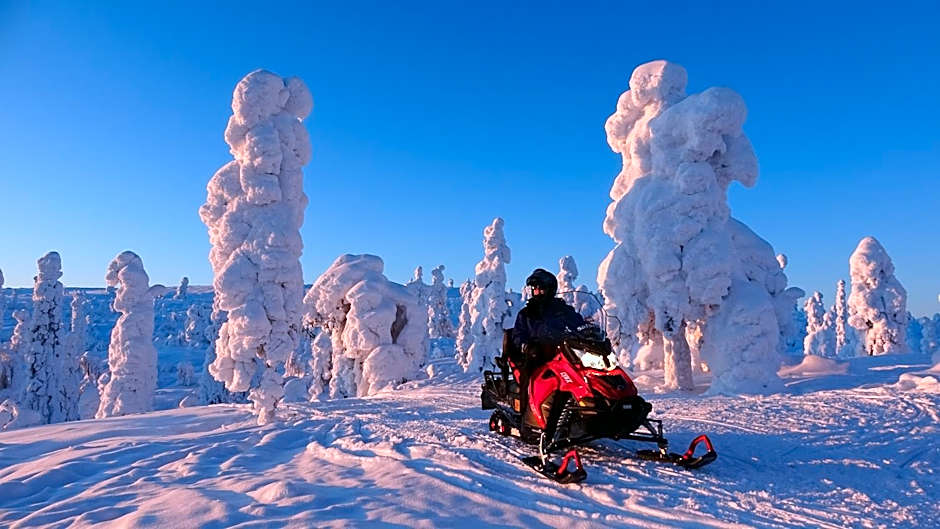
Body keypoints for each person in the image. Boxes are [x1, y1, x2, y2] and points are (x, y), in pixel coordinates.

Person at [511, 268, 586, 376]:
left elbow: (578, 324)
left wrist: (591, 332)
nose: (537, 291)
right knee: (528, 375)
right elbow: (518, 335)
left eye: (540, 288)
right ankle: (525, 392)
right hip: (536, 356)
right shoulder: (526, 313)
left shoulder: (562, 309)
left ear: (550, 289)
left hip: (563, 353)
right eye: (534, 288)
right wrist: (527, 346)